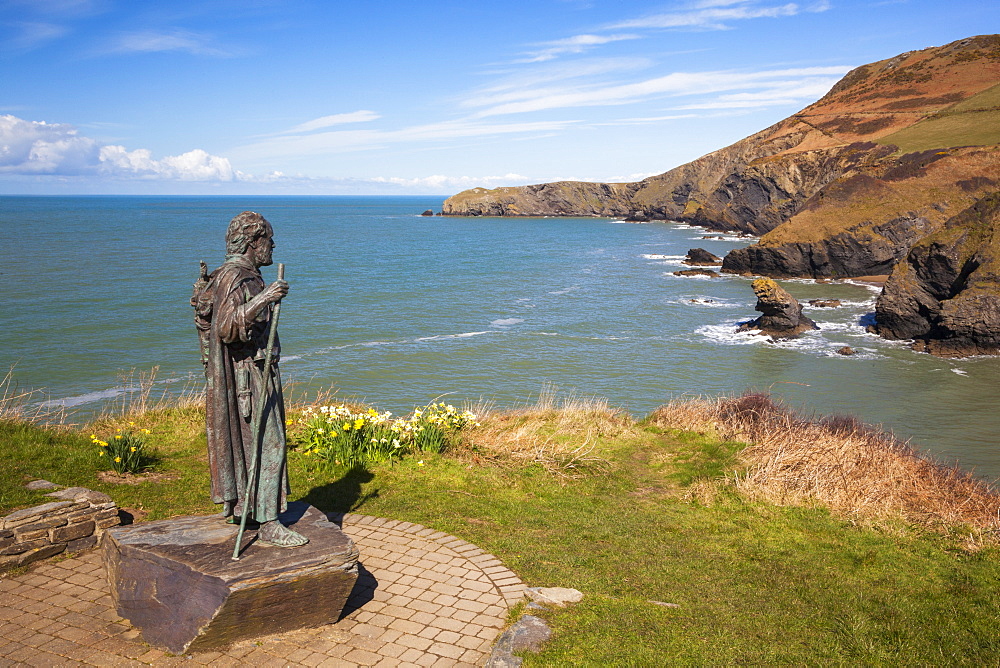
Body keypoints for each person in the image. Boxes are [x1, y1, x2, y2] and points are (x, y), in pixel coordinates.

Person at [192, 211, 308, 547]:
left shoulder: (233, 275)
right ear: (253, 242)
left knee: (251, 442)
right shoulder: (238, 278)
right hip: (249, 375)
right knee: (270, 443)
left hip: (253, 370)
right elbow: (227, 328)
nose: (272, 246)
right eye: (268, 239)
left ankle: (244, 504)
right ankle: (270, 522)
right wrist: (265, 298)